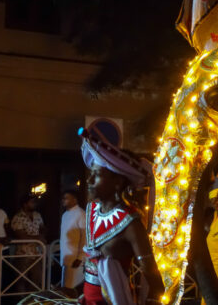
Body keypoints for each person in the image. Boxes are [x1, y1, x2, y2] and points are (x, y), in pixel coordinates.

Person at [78, 128, 164, 304]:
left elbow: (153, 278)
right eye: (90, 174)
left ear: (117, 182)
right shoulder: (92, 210)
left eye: (97, 175)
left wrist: (154, 300)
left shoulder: (130, 222)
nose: (89, 181)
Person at [11, 194, 46, 292]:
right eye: (32, 202)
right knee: (21, 279)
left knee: (36, 279)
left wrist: (42, 235)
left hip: (37, 253)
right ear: (25, 204)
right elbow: (20, 235)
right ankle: (20, 299)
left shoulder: (37, 215)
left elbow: (43, 228)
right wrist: (38, 238)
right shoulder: (18, 217)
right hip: (23, 254)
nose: (35, 204)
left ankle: (32, 301)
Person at [60, 190, 86, 290]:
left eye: (66, 198)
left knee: (73, 290)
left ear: (74, 199)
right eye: (63, 198)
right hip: (66, 259)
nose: (63, 200)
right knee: (65, 289)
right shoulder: (65, 215)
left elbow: (85, 237)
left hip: (76, 260)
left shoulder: (80, 214)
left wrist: (80, 257)